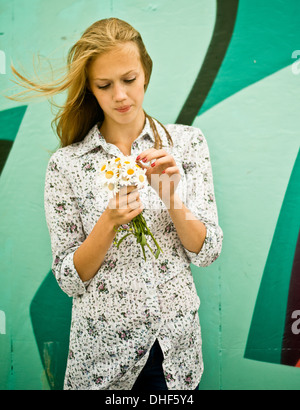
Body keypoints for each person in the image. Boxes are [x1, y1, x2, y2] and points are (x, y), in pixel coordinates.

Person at [10, 17, 223, 390]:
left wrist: (173, 199)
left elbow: (208, 251)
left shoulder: (186, 144)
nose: (120, 96)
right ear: (90, 90)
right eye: (104, 86)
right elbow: (68, 279)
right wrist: (107, 223)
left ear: (146, 75)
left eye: (129, 80)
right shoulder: (68, 164)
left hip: (175, 352)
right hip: (103, 359)